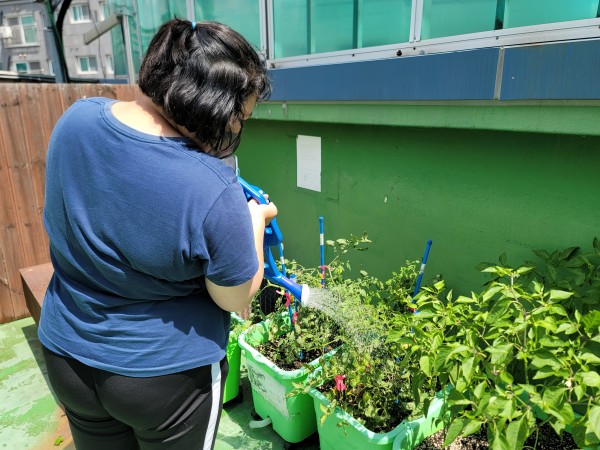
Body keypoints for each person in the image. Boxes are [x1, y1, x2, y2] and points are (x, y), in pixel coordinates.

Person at [38, 18, 276, 450]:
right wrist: (253, 224)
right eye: (239, 119)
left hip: (66, 354)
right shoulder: (211, 188)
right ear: (211, 109)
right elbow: (235, 298)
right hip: (164, 379)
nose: (237, 130)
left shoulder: (76, 120)